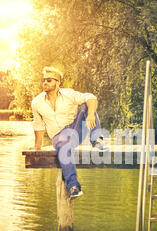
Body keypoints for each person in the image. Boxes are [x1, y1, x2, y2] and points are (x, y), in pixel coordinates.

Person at [31, 66, 108, 200]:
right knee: (63, 144)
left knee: (87, 105)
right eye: (43, 80)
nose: (45, 83)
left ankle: (97, 141)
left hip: (75, 129)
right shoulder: (37, 102)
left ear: (58, 82)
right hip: (58, 136)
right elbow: (38, 125)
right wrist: (37, 146)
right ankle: (74, 187)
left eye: (49, 80)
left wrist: (90, 114)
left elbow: (91, 98)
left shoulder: (69, 94)